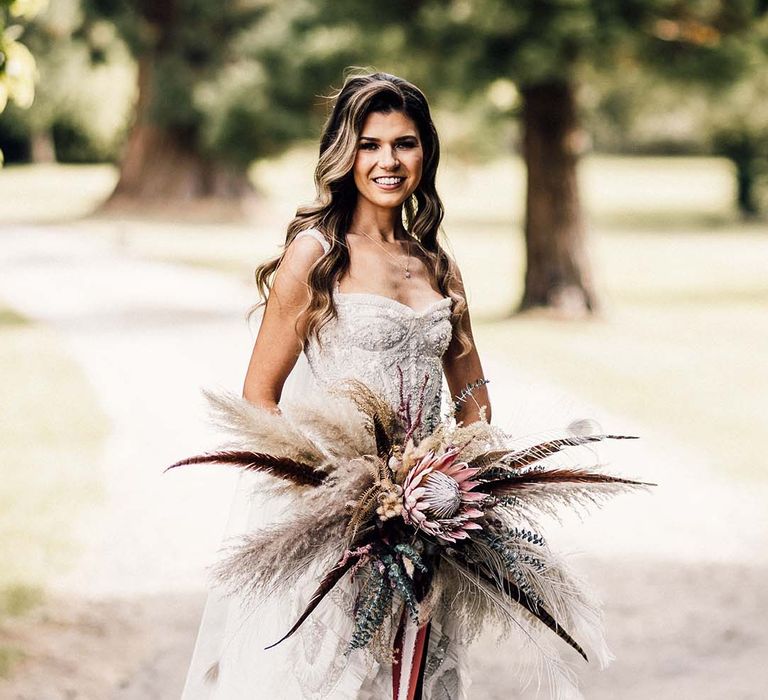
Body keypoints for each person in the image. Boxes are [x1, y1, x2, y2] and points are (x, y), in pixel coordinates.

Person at [181, 71, 491, 700]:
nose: (388, 161)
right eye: (371, 144)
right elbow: (259, 397)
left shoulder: (437, 264)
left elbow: (471, 392)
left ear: (425, 152)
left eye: (404, 143)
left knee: (414, 674)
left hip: (423, 518)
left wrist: (459, 475)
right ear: (345, 154)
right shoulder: (316, 254)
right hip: (332, 521)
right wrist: (329, 486)